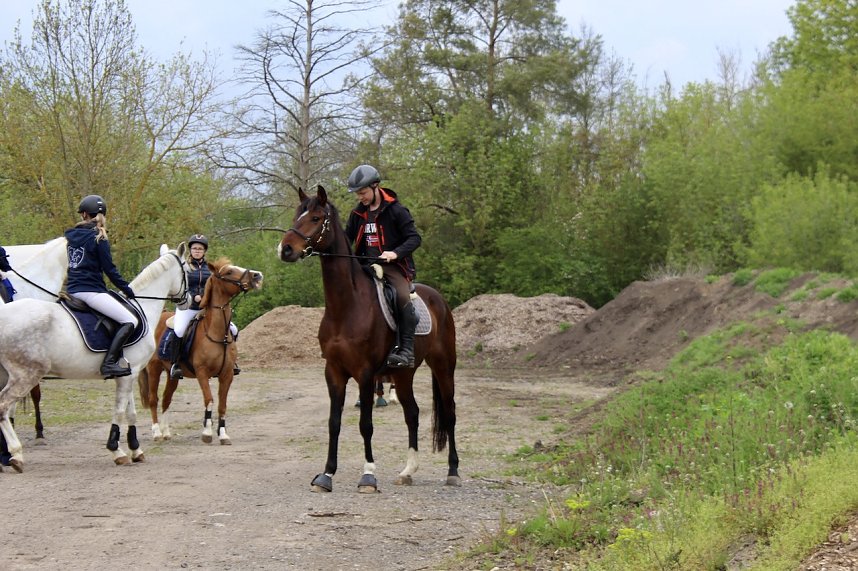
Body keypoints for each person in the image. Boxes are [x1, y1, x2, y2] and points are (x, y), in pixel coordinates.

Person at [344, 164, 421, 368]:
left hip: (393, 267)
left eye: (363, 192)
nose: (360, 197)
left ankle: (406, 351)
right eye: (358, 194)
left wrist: (394, 253)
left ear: (375, 185)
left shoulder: (396, 210)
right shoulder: (357, 214)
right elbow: (346, 240)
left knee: (402, 296)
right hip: (364, 267)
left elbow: (414, 238)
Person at [65, 195, 138, 378]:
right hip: (91, 291)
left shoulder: (71, 237)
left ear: (83, 215)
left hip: (72, 290)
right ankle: (109, 363)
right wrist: (128, 290)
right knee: (130, 321)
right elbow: (110, 270)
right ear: (101, 215)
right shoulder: (99, 238)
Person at [167, 234, 241, 380]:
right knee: (180, 330)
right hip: (188, 307)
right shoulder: (185, 267)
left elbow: (217, 287)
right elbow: (179, 287)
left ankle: (230, 361)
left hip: (207, 309)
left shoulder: (210, 269)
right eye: (194, 248)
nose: (197, 251)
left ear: (204, 251)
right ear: (190, 250)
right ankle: (176, 364)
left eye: (200, 249)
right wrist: (193, 295)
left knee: (233, 329)